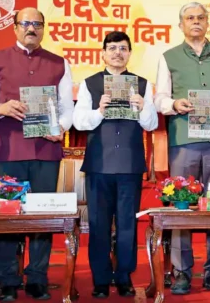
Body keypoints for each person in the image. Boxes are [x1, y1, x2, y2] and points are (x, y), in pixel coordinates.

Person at [0, 7, 74, 301]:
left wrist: (60, 127)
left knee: (43, 216)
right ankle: (6, 279)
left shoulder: (59, 63)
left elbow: (67, 108)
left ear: (43, 28)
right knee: (5, 215)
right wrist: (0, 108)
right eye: (25, 23)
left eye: (37, 24)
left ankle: (37, 277)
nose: (31, 28)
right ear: (15, 27)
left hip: (46, 150)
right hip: (8, 148)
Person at [154, 2, 210, 295]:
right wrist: (173, 104)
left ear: (207, 22)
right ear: (181, 25)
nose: (196, 22)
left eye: (201, 18)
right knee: (181, 204)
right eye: (190, 18)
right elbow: (159, 98)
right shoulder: (168, 57)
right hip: (184, 139)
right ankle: (181, 272)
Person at [73, 31, 158, 299]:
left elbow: (152, 124)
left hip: (130, 165)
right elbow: (79, 122)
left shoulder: (142, 84)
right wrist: (99, 111)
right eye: (112, 48)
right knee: (98, 224)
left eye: (123, 48)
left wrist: (143, 107)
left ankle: (123, 276)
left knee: (127, 224)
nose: (117, 53)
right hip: (98, 165)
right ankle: (100, 279)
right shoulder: (89, 84)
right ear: (103, 53)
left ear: (129, 53)